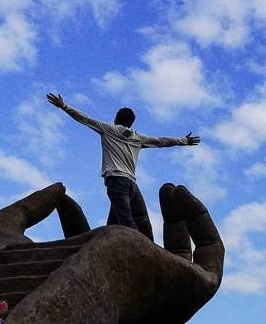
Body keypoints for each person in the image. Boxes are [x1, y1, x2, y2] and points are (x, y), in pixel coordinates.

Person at [46, 93, 199, 241]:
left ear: (116, 119)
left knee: (126, 220)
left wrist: (64, 106)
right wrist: (183, 140)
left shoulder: (108, 129)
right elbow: (161, 141)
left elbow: (84, 118)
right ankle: (103, 245)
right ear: (131, 123)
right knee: (113, 224)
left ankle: (141, 248)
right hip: (131, 184)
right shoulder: (138, 138)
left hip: (116, 180)